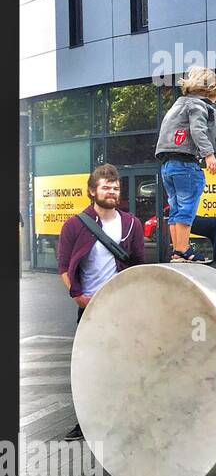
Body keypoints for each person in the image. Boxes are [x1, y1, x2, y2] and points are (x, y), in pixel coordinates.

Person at [55, 164, 146, 438]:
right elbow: (63, 267)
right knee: (90, 365)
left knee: (126, 362)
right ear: (92, 191)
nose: (112, 191)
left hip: (121, 305)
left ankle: (125, 416)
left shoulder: (132, 223)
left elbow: (138, 264)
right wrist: (78, 297)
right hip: (90, 306)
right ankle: (86, 421)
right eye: (106, 187)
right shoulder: (74, 224)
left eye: (115, 187)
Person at [155, 67, 216, 262]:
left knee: (175, 207)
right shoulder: (198, 105)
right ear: (209, 91)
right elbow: (198, 129)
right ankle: (184, 249)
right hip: (186, 165)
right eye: (215, 96)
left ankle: (177, 250)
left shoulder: (178, 104)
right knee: (187, 206)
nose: (215, 101)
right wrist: (208, 154)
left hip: (168, 166)